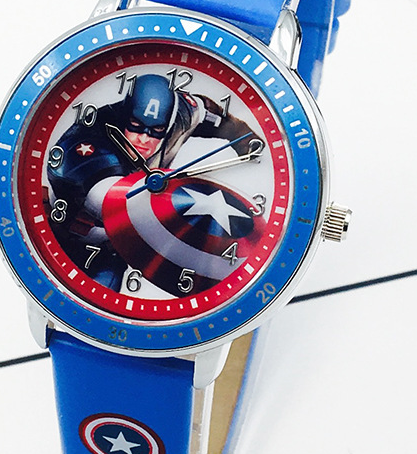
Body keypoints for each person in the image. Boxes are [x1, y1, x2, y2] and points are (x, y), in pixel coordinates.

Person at [46, 73, 259, 291]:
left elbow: (207, 112)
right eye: (135, 126)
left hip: (111, 248)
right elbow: (122, 206)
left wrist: (246, 138)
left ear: (169, 124)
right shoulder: (87, 143)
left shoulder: (183, 113)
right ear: (123, 117)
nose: (144, 139)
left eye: (156, 131)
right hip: (68, 238)